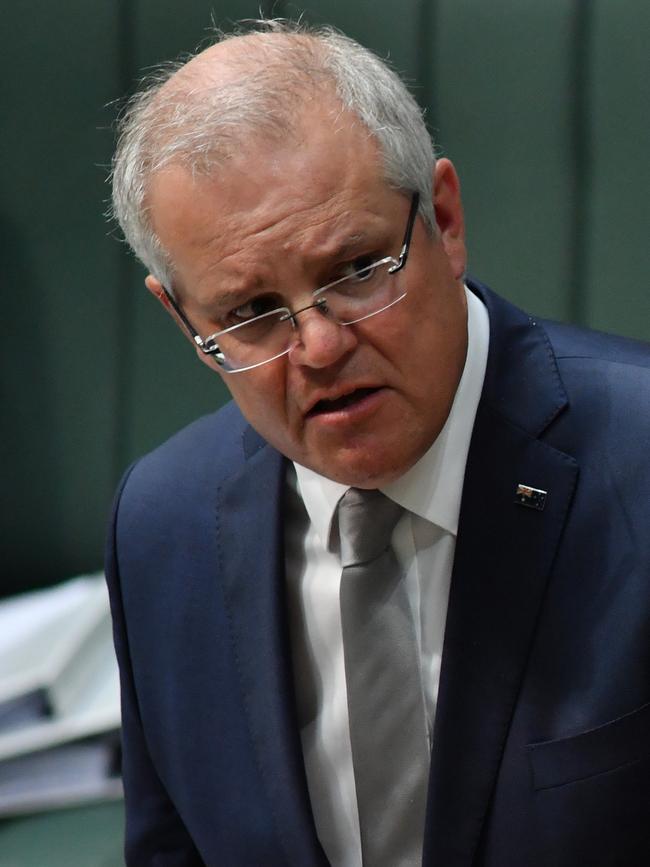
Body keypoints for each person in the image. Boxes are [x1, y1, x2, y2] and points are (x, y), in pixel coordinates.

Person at [106, 20, 650, 867]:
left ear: (444, 215)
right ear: (182, 318)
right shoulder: (162, 525)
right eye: (251, 314)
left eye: (357, 269)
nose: (320, 348)